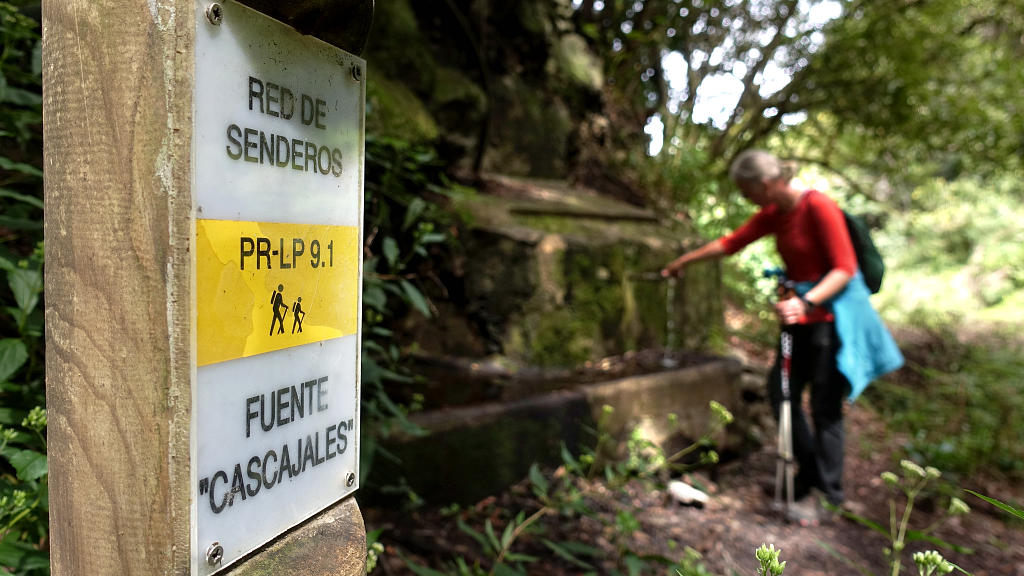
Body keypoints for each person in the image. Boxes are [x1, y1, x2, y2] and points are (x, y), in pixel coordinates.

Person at [661, 149, 902, 523]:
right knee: (782, 396)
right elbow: (731, 243)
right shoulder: (775, 213)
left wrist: (806, 301)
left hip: (830, 323)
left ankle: (829, 495)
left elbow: (844, 269)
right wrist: (683, 262)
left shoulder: (818, 207)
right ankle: (808, 477)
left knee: (825, 409)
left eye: (746, 190)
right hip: (799, 322)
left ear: (766, 183)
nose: (745, 198)